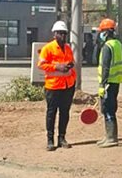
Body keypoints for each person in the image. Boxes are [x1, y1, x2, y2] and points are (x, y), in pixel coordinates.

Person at [37, 20, 76, 151]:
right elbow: (41, 64)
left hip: (67, 86)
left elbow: (71, 62)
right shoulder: (48, 48)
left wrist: (69, 68)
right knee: (51, 113)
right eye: (60, 33)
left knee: (65, 113)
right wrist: (57, 67)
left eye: (64, 33)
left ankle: (61, 138)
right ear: (55, 34)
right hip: (53, 87)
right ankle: (50, 140)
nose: (63, 36)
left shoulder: (68, 48)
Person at [96, 18, 122, 148]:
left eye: (102, 31)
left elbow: (105, 67)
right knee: (111, 108)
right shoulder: (117, 44)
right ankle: (109, 136)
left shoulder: (107, 46)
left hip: (108, 82)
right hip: (115, 81)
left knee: (107, 109)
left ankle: (111, 138)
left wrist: (102, 85)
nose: (100, 34)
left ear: (106, 32)